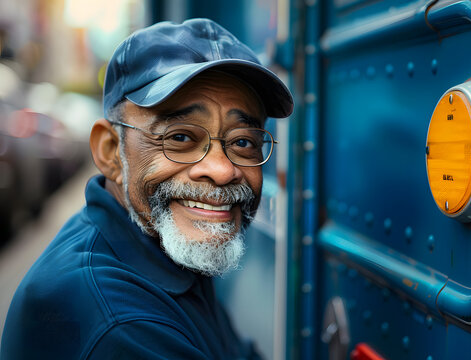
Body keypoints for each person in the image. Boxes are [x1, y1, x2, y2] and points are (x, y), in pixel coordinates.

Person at [0, 19, 293, 359]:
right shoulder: (120, 326)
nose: (222, 170)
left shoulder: (162, 249)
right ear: (111, 152)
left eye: (243, 141)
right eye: (180, 138)